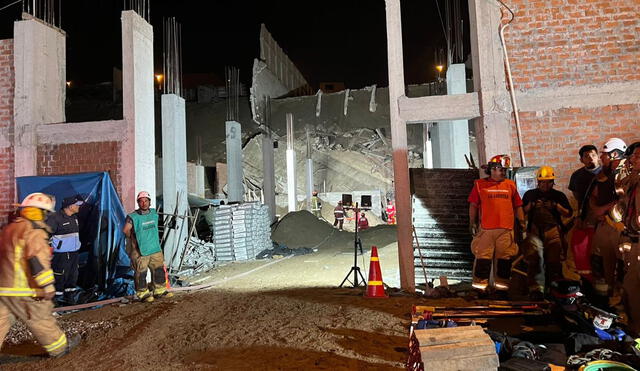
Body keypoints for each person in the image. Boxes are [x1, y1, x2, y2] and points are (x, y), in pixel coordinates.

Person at [0, 193, 80, 357]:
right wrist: (47, 286)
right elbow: (37, 261)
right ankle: (59, 348)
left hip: (3, 288)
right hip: (24, 290)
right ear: (41, 212)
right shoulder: (34, 231)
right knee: (40, 318)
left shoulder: (9, 229)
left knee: (1, 321)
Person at [468, 154, 525, 298]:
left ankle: (501, 290)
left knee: (504, 261)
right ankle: (479, 288)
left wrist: (523, 222)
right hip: (486, 229)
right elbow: (473, 205)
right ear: (491, 169)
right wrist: (472, 222)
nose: (501, 173)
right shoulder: (479, 185)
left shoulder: (510, 185)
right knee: (482, 259)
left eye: (503, 170)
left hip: (506, 230)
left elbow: (518, 205)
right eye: (499, 169)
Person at [584, 138, 628, 306]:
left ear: (615, 154)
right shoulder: (604, 175)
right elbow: (593, 196)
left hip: (618, 228)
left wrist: (602, 209)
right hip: (604, 225)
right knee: (600, 265)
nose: (602, 158)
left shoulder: (624, 175)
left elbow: (626, 200)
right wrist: (596, 209)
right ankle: (605, 302)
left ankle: (621, 303)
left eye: (605, 155)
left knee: (621, 268)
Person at [522, 166, 572, 300]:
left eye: (549, 181)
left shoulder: (558, 195)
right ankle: (536, 291)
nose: (545, 184)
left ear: (552, 182)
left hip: (553, 231)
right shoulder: (530, 194)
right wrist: (531, 206)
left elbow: (568, 213)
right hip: (534, 231)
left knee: (553, 262)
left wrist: (556, 206)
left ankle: (553, 289)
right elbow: (521, 212)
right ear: (538, 182)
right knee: (535, 260)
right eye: (543, 182)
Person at [123, 191, 173, 302]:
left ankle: (159, 290)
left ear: (149, 202)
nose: (144, 203)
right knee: (141, 273)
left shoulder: (154, 213)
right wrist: (134, 240)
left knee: (158, 270)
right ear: (138, 203)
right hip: (140, 250)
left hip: (155, 248)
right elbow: (126, 230)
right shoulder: (133, 217)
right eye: (141, 201)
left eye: (146, 201)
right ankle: (142, 293)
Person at [46, 195, 84, 305]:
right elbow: (46, 235)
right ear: (70, 206)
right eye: (77, 205)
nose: (79, 207)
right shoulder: (55, 218)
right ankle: (56, 301)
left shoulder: (74, 217)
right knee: (59, 276)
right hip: (61, 255)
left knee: (73, 275)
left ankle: (70, 298)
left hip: (74, 253)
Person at [620, 142, 640, 332]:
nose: (632, 159)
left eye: (637, 156)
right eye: (632, 156)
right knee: (630, 288)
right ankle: (634, 331)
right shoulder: (633, 182)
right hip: (633, 242)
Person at [568, 145, 601, 210]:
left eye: (593, 155)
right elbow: (576, 195)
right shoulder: (576, 175)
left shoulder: (607, 172)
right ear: (581, 160)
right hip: (585, 212)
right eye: (586, 156)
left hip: (604, 211)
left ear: (598, 157)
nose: (591, 159)